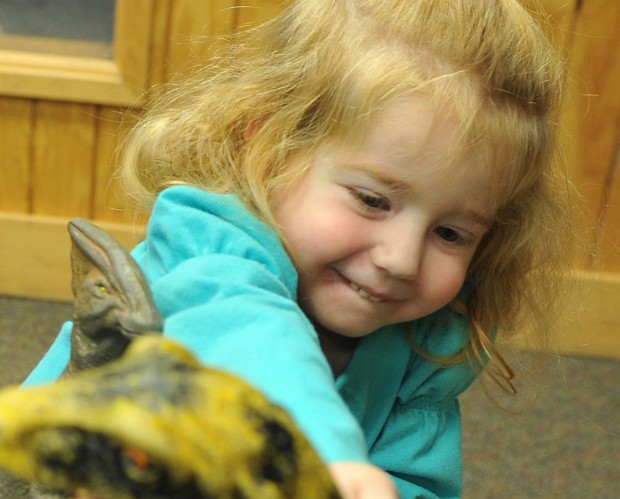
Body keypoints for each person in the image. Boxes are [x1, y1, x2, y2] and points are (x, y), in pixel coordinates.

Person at [24, 0, 579, 497]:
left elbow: (416, 480)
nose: (402, 259)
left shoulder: (427, 339)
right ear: (270, 148)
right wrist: (321, 457)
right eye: (372, 200)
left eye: (451, 234)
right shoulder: (207, 241)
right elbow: (246, 334)